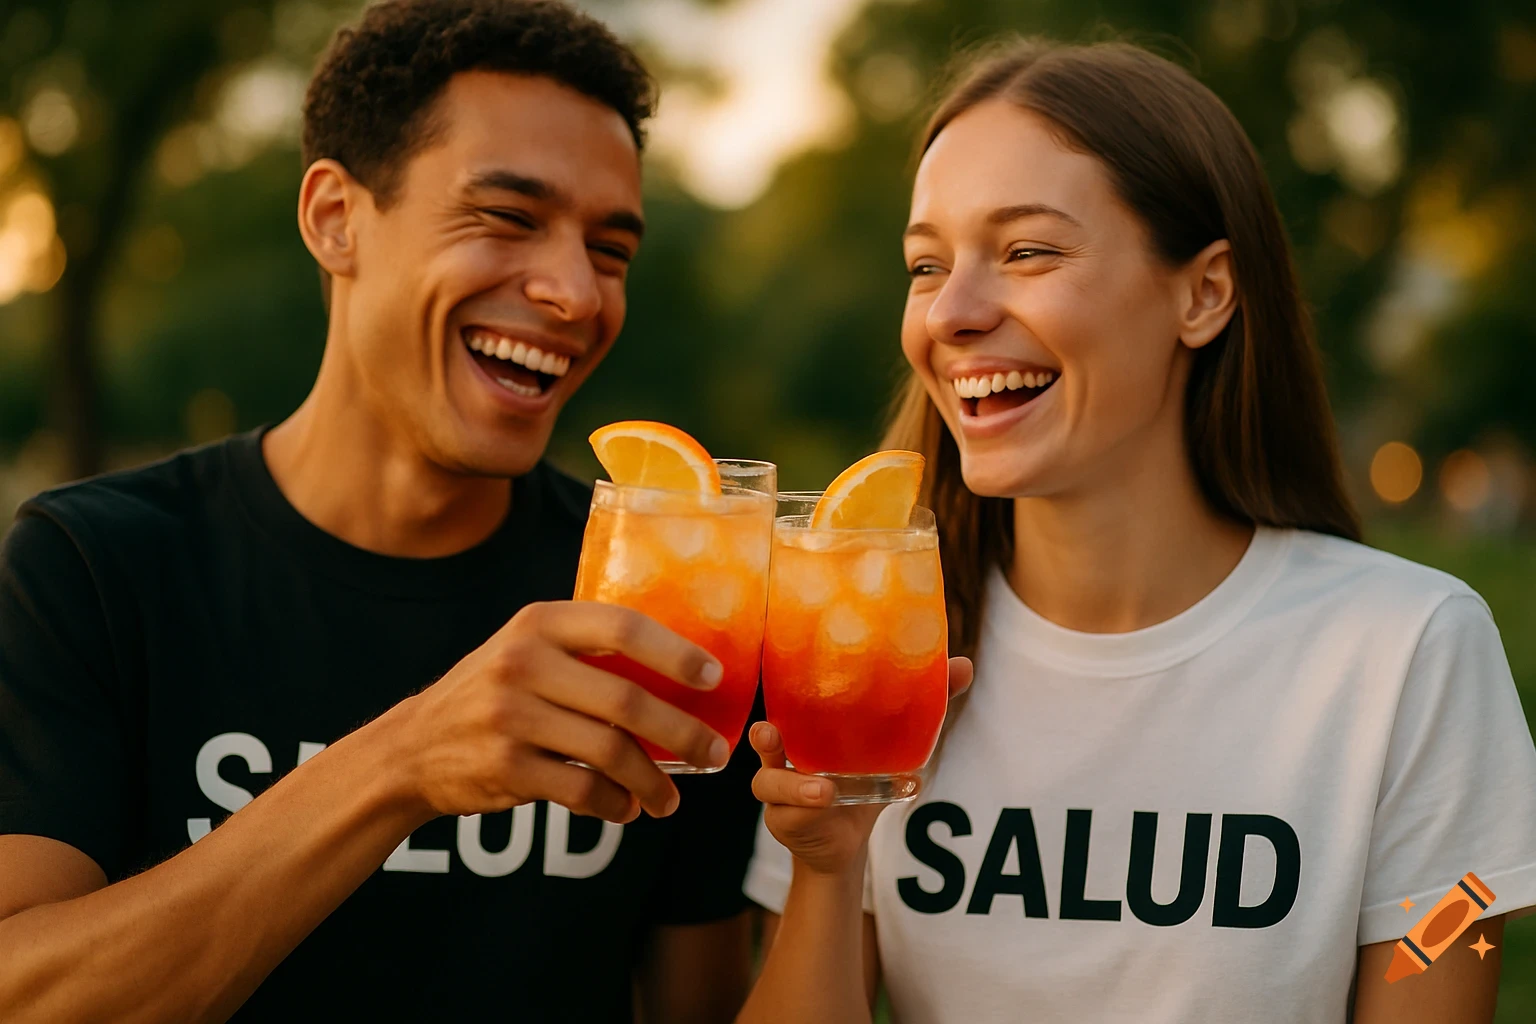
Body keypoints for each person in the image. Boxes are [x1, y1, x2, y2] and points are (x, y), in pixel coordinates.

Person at [739, 38, 1536, 1024]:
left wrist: (1440, 918)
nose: (951, 311)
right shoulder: (861, 650)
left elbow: (1447, 935)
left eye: (1027, 250)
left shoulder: (1409, 651)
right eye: (925, 265)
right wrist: (828, 868)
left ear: (1203, 293)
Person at [0, 2, 762, 1020]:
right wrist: (401, 764)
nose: (577, 292)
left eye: (611, 249)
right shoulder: (90, 566)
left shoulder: (669, 596)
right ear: (334, 218)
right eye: (507, 215)